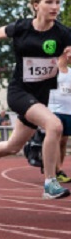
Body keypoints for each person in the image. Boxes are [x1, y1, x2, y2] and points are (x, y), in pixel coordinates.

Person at [0, 0, 71, 199]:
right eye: (49, 2)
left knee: (13, 146)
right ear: (36, 5)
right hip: (19, 92)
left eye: (58, 2)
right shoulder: (22, 27)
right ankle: (50, 182)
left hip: (41, 97)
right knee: (54, 125)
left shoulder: (63, 33)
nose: (55, 7)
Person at [49, 49, 71, 183]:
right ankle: (56, 170)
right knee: (56, 140)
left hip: (68, 111)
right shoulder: (52, 71)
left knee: (63, 142)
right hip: (54, 110)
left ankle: (59, 169)